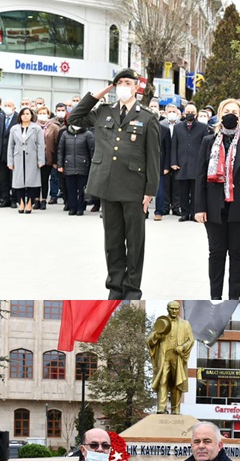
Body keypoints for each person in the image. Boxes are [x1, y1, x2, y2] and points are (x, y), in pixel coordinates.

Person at [67, 69, 161, 300]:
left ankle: (132, 288)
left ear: (137, 87)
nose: (122, 86)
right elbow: (74, 118)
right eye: (119, 82)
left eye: (127, 82)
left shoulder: (147, 117)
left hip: (134, 188)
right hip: (107, 185)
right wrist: (102, 92)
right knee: (113, 241)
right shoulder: (103, 112)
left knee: (135, 241)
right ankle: (115, 286)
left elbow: (153, 158)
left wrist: (150, 192)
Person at [194, 98, 240, 300]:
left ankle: (234, 298)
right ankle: (215, 297)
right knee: (216, 253)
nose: (230, 114)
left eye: (234, 111)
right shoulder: (208, 142)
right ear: (220, 115)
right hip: (214, 207)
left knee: (238, 253)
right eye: (226, 111)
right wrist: (199, 208)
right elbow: (200, 177)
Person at [146, 301, 194, 413]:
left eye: (176, 309)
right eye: (171, 308)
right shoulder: (161, 321)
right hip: (164, 357)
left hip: (177, 356)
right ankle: (161, 408)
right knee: (163, 381)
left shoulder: (185, 324)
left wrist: (182, 347)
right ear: (167, 309)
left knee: (176, 383)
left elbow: (190, 340)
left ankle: (175, 409)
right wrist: (157, 335)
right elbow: (149, 339)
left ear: (179, 310)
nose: (174, 311)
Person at [171, 103, 208, 221]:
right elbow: (174, 146)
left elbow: (206, 146)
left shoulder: (202, 127)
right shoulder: (178, 127)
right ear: (183, 113)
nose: (190, 114)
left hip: (197, 164)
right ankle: (184, 213)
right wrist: (173, 162)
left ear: (196, 114)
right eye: (188, 112)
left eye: (192, 113)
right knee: (183, 192)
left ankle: (193, 213)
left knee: (195, 191)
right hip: (182, 164)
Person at [7, 107, 45, 214]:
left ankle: (30, 203)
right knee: (19, 182)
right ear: (20, 116)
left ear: (31, 115)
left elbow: (40, 145)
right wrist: (10, 162)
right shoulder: (14, 128)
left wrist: (41, 160)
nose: (25, 115)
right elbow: (10, 146)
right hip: (18, 157)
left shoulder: (36, 128)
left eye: (27, 113)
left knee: (32, 181)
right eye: (23, 114)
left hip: (32, 157)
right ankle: (21, 202)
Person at [57, 123, 95, 216]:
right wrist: (60, 165)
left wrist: (93, 165)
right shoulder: (65, 134)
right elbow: (60, 151)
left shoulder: (88, 134)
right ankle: (72, 207)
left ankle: (81, 208)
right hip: (68, 165)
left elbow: (92, 150)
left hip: (83, 165)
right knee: (70, 188)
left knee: (82, 189)